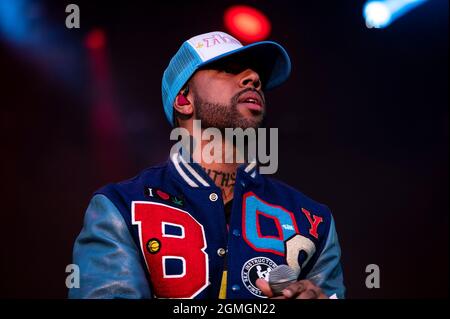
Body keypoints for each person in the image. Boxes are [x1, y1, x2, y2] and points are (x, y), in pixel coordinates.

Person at [69, 31, 345, 299]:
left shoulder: (313, 219)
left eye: (256, 74)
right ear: (183, 99)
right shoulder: (120, 206)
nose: (253, 79)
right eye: (229, 69)